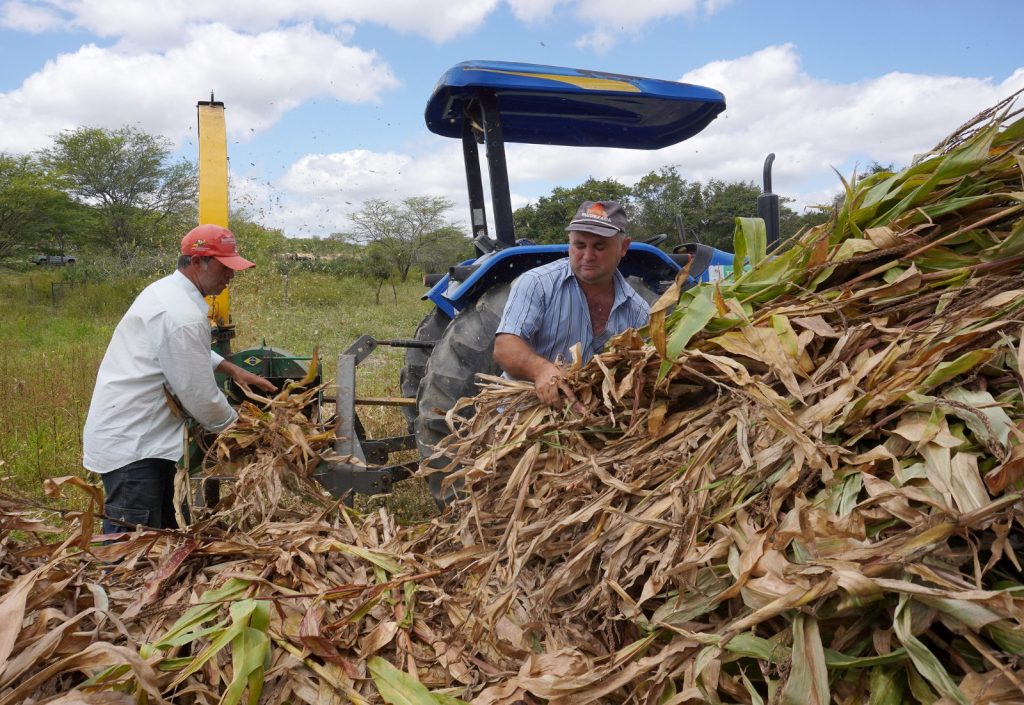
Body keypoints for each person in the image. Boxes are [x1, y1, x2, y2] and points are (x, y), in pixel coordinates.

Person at [83, 224, 277, 535]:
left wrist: (231, 368)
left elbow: (180, 351)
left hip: (145, 439)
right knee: (131, 550)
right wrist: (244, 429)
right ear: (198, 261)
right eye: (225, 267)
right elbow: (199, 396)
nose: (231, 275)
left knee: (162, 537)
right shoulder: (180, 314)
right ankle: (118, 584)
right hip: (135, 446)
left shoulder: (166, 292)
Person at [494, 200, 650, 411]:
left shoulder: (638, 312)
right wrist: (540, 370)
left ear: (623, 247)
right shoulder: (537, 284)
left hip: (589, 424)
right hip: (525, 419)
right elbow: (505, 346)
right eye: (579, 245)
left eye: (599, 246)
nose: (587, 256)